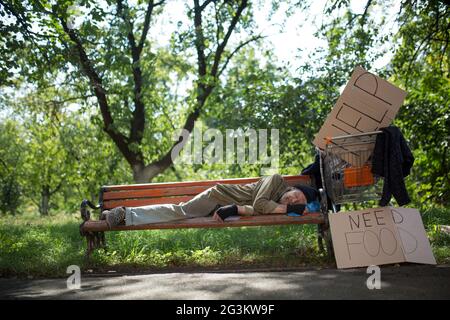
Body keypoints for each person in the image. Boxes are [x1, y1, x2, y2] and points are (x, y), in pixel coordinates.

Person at [102, 174, 319, 229]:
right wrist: (291, 209)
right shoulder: (275, 180)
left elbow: (258, 209)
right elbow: (261, 206)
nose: (293, 201)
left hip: (226, 207)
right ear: (292, 188)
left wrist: (235, 209)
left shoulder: (277, 201)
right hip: (216, 197)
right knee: (180, 212)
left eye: (297, 202)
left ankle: (113, 215)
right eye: (295, 196)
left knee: (181, 212)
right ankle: (124, 213)